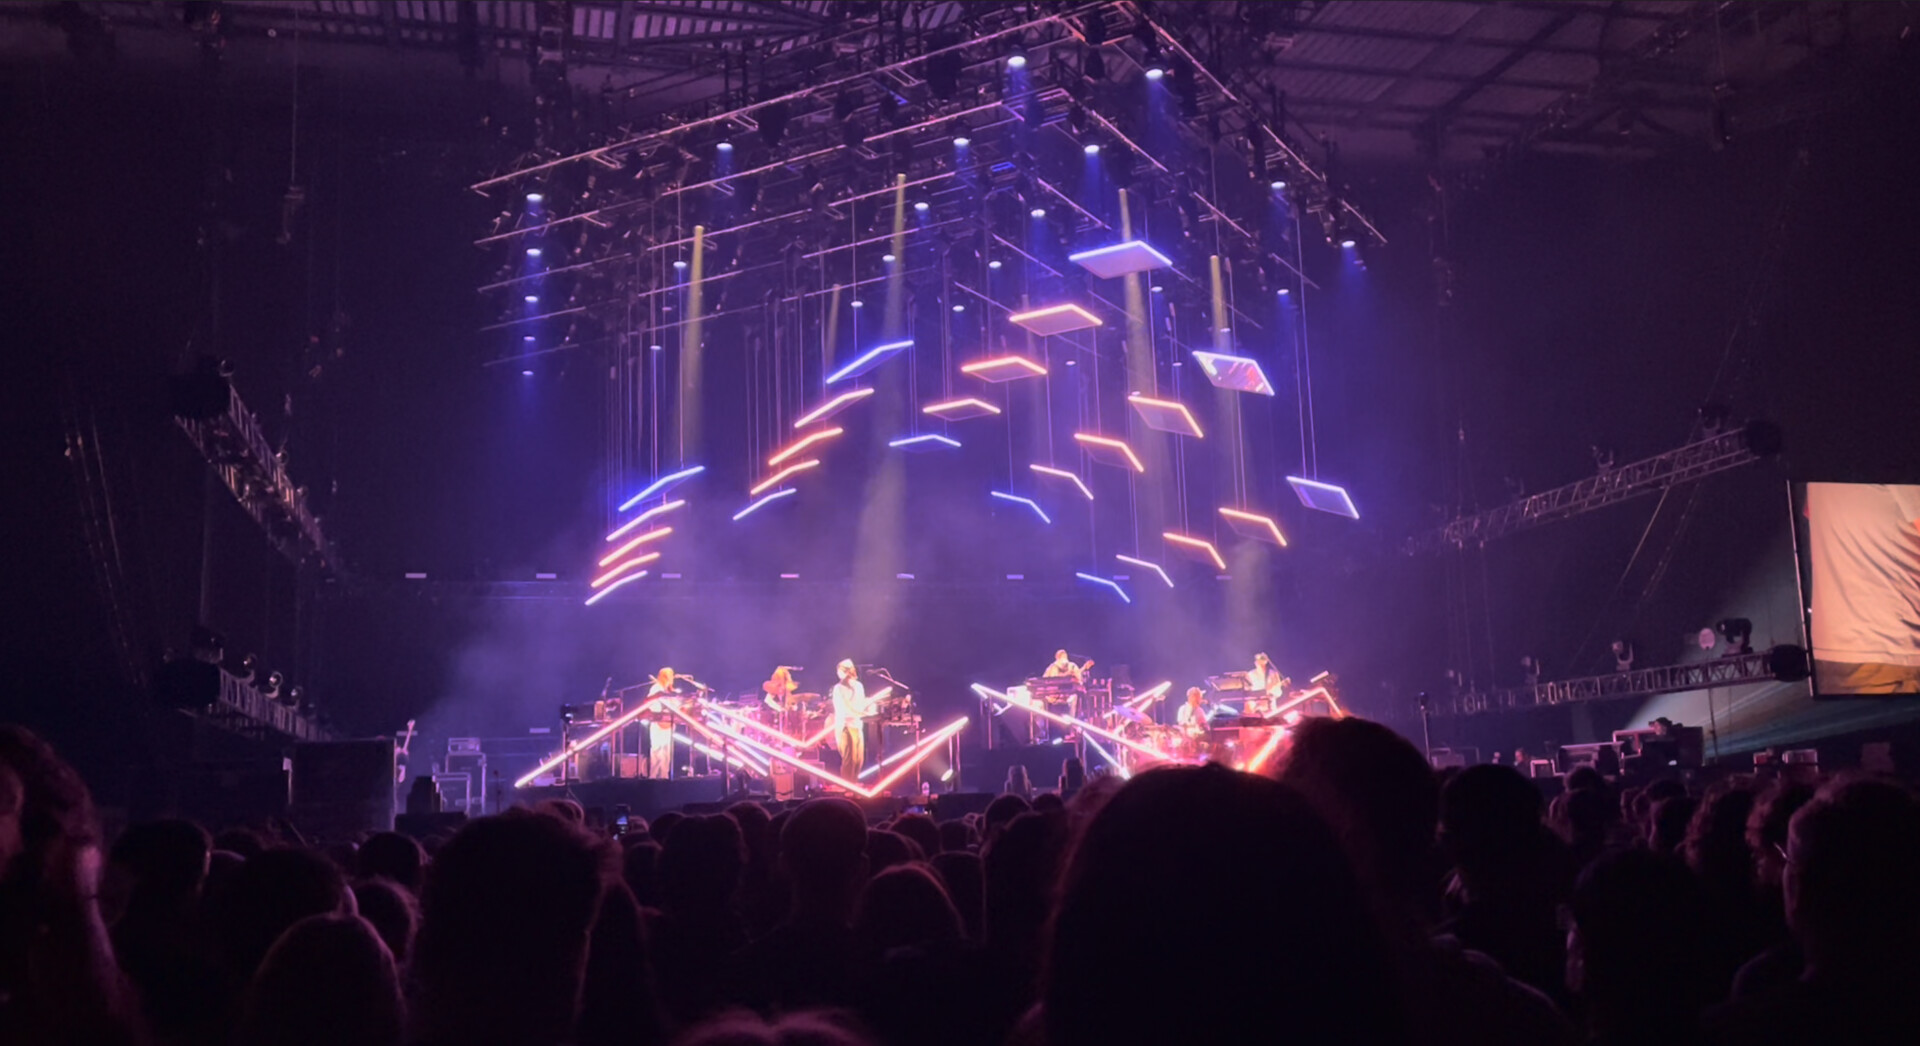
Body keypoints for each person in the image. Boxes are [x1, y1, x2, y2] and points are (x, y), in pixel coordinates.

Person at [830, 660, 872, 779]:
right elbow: (842, 708)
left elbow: (861, 703)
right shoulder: (838, 688)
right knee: (850, 760)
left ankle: (855, 784)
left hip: (857, 725)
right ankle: (848, 787)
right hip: (846, 726)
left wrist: (869, 707)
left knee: (859, 759)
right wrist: (859, 712)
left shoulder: (859, 686)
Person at [645, 668, 682, 779]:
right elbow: (651, 703)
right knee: (657, 751)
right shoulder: (656, 688)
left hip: (668, 724)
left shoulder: (670, 691)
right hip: (658, 724)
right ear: (664, 676)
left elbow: (676, 704)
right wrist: (662, 711)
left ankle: (664, 777)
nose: (673, 678)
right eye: (670, 675)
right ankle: (653, 778)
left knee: (666, 752)